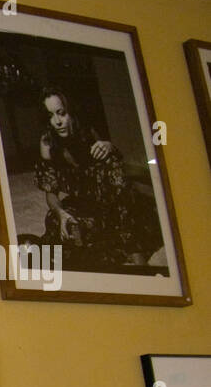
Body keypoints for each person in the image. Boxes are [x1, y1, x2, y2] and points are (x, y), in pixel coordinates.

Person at [31, 88, 161, 269]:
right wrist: (61, 213)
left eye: (61, 113)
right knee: (57, 222)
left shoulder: (88, 131)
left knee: (125, 203)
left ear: (70, 112)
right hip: (83, 203)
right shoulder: (47, 143)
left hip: (113, 200)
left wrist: (109, 146)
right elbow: (50, 192)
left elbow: (118, 174)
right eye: (50, 116)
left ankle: (134, 252)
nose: (58, 121)